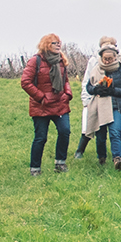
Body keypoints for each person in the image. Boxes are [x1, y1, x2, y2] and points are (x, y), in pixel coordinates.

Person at [19, 33, 73, 175]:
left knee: (65, 131)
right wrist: (41, 97)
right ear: (46, 45)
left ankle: (60, 163)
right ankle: (35, 168)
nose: (58, 45)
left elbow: (65, 80)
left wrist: (67, 94)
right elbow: (25, 82)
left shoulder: (61, 60)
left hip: (60, 103)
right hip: (41, 106)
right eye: (55, 43)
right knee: (41, 137)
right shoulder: (35, 61)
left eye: (59, 43)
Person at [76, 37, 121, 168]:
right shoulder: (96, 69)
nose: (107, 61)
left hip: (117, 105)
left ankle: (117, 158)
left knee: (115, 132)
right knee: (100, 134)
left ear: (115, 57)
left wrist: (113, 90)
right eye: (105, 59)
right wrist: (96, 89)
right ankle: (101, 158)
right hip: (99, 107)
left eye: (110, 59)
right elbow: (88, 87)